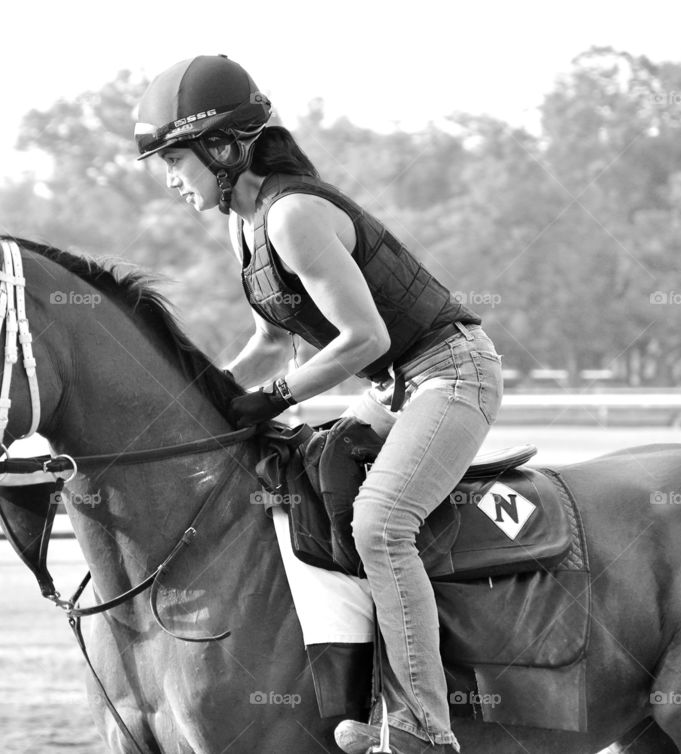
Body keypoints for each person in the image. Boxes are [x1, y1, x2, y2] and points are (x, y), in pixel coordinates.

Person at [134, 54, 502, 754]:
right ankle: (351, 699)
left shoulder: (295, 214)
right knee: (293, 490)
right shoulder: (242, 225)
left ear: (221, 149)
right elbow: (272, 343)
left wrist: (264, 401)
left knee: (379, 527)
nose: (169, 180)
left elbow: (366, 338)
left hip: (453, 375)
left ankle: (426, 729)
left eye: (174, 160)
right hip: (394, 389)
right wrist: (209, 400)